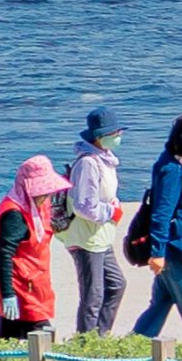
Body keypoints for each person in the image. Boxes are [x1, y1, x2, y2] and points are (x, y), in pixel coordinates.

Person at [128, 113, 182, 343]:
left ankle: (132, 350)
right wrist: (157, 252)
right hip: (179, 253)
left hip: (181, 250)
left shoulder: (176, 166)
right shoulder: (172, 172)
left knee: (159, 307)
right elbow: (161, 213)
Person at [60, 106, 128, 335]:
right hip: (86, 238)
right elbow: (84, 206)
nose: (119, 136)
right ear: (100, 138)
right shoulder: (88, 163)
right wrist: (111, 212)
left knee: (116, 285)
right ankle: (86, 346)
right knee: (93, 295)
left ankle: (101, 336)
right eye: (116, 133)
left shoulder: (105, 160)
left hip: (101, 236)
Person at [0, 152, 66, 338]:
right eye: (42, 191)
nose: (46, 195)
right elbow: (4, 254)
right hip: (19, 285)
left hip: (36, 281)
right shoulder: (14, 214)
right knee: (24, 336)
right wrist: (7, 294)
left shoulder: (37, 206)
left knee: (33, 334)